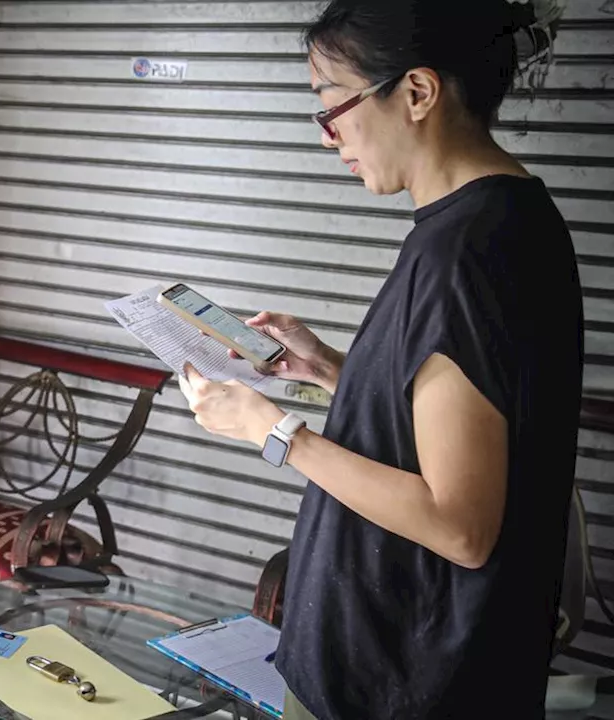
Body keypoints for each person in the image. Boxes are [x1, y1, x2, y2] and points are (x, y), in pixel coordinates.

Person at [176, 1, 584, 718]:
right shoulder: (507, 220)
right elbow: (464, 416)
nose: (329, 138)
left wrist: (273, 433)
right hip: (410, 669)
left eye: (331, 107)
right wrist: (332, 368)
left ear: (418, 93)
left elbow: (460, 526)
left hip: (404, 683)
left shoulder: (463, 254)